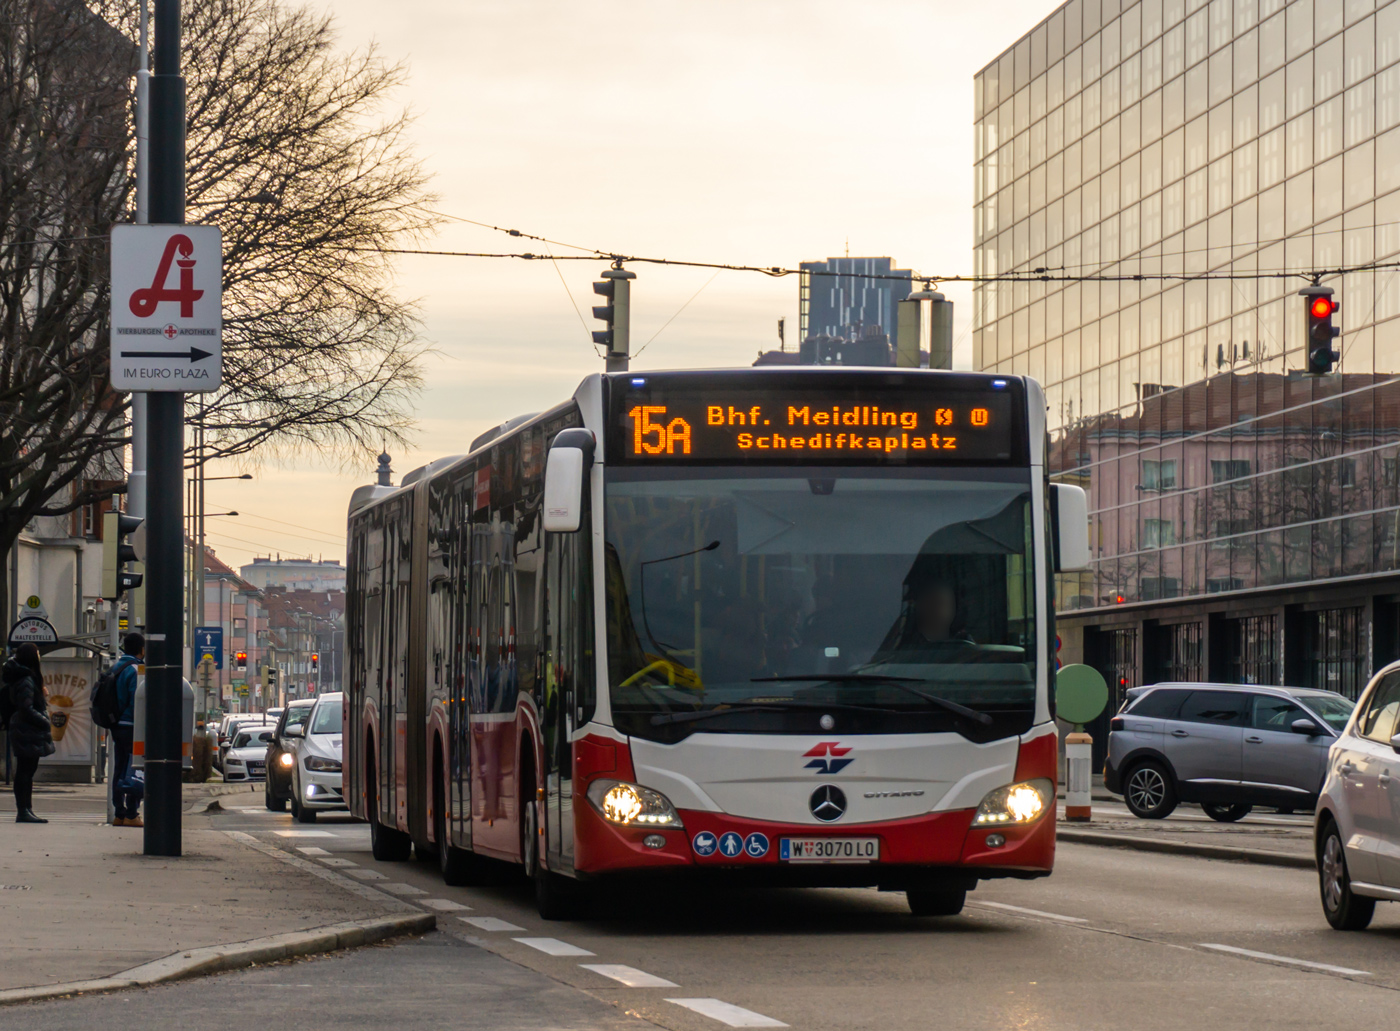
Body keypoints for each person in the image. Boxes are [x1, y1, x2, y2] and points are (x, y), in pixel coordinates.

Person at [4, 642, 54, 823]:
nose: (39, 656)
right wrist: (44, 721)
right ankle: (24, 811)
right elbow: (26, 707)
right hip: (27, 729)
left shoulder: (23, 677)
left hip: (24, 729)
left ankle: (27, 810)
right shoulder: (26, 679)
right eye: (37, 653)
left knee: (27, 771)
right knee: (25, 771)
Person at [110, 633, 145, 828]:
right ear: (141, 649)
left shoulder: (116, 667)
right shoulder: (137, 670)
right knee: (135, 768)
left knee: (119, 767)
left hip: (116, 726)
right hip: (133, 726)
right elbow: (138, 701)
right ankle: (132, 814)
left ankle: (119, 813)